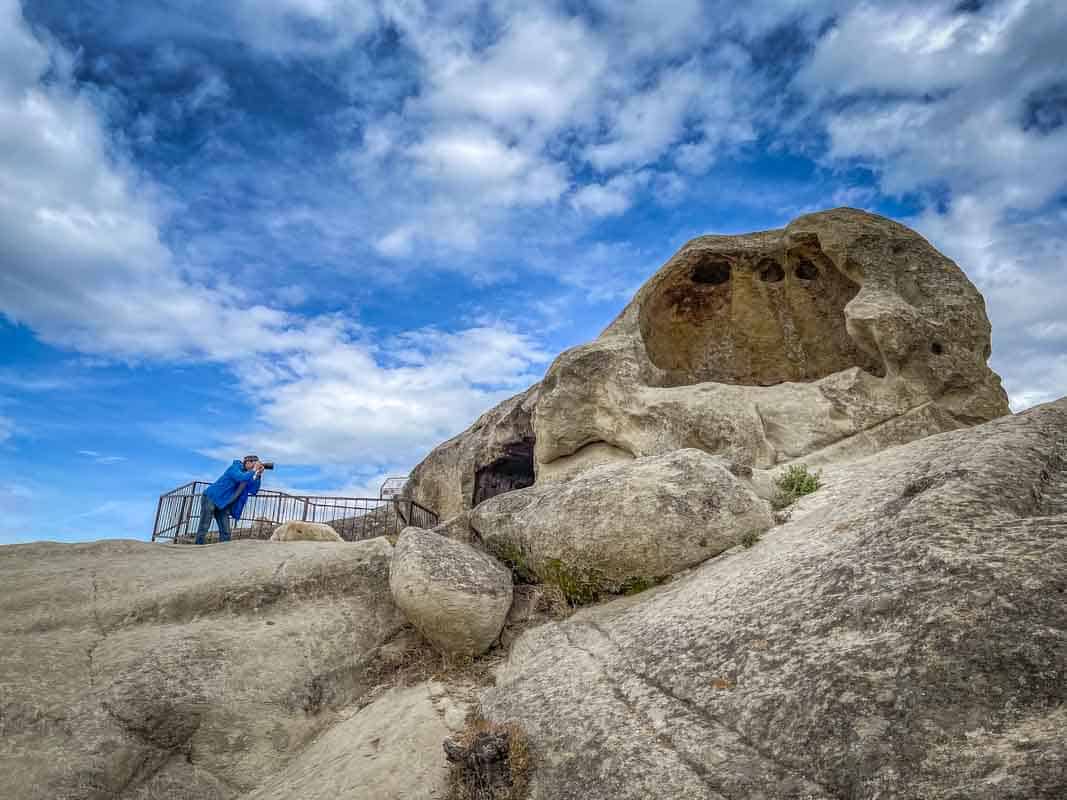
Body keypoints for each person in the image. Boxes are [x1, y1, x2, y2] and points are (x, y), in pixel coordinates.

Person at [194, 455, 265, 544]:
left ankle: (223, 551)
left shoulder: (248, 475)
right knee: (204, 525)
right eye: (253, 464)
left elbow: (254, 490)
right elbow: (241, 477)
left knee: (226, 531)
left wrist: (258, 475)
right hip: (211, 498)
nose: (254, 467)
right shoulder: (234, 468)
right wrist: (254, 470)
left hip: (223, 504)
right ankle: (198, 546)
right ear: (247, 462)